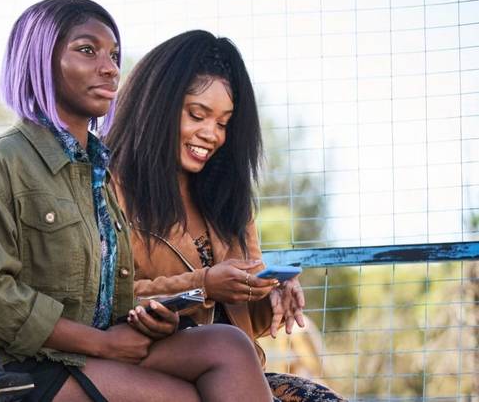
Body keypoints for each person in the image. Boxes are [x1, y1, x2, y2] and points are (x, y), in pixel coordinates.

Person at [0, 0, 274, 402]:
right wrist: (104, 345)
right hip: (13, 365)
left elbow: (115, 297)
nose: (111, 68)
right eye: (87, 50)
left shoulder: (94, 172)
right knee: (182, 397)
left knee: (226, 346)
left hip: (83, 352)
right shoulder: (2, 161)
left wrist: (157, 318)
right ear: (39, 60)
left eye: (114, 55)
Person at [105, 30, 345, 401]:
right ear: (158, 107)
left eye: (223, 123)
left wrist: (270, 293)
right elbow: (105, 300)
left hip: (234, 366)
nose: (211, 134)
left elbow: (246, 322)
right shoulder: (110, 188)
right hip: (151, 362)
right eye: (197, 115)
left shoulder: (228, 199)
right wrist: (202, 285)